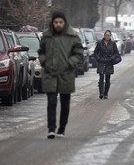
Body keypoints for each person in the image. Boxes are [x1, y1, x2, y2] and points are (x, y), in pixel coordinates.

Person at [38, 11, 84, 139]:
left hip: (66, 74)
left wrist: (69, 63)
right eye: (56, 22)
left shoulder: (72, 36)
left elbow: (79, 54)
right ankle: (51, 129)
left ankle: (62, 128)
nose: (58, 24)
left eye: (60, 22)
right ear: (52, 23)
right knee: (51, 101)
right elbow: (41, 51)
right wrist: (44, 61)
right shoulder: (46, 36)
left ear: (65, 22)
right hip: (50, 74)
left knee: (65, 104)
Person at [94, 30, 119, 99]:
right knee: (101, 77)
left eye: (108, 35)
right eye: (106, 35)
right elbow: (95, 52)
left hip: (109, 62)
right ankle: (101, 93)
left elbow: (116, 53)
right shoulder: (100, 43)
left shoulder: (113, 44)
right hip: (101, 62)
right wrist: (98, 59)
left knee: (108, 78)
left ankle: (106, 93)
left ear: (110, 36)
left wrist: (112, 58)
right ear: (104, 36)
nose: (107, 36)